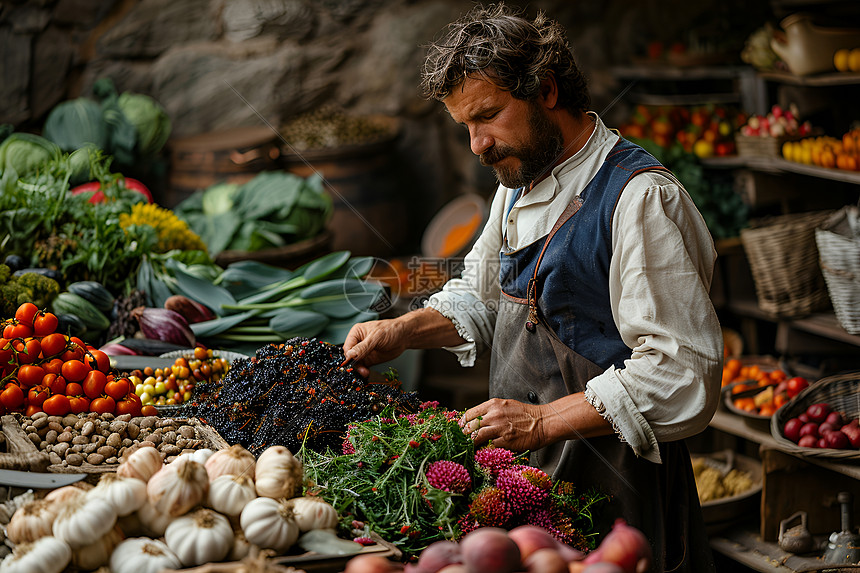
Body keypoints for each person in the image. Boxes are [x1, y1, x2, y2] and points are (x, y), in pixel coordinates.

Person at [343, 4, 722, 571]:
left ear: (545, 90)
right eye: (465, 126)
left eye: (488, 116)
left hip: (616, 494)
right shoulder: (518, 184)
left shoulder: (639, 199)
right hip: (530, 486)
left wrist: (540, 421)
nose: (477, 145)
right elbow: (480, 291)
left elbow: (682, 370)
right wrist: (401, 331)